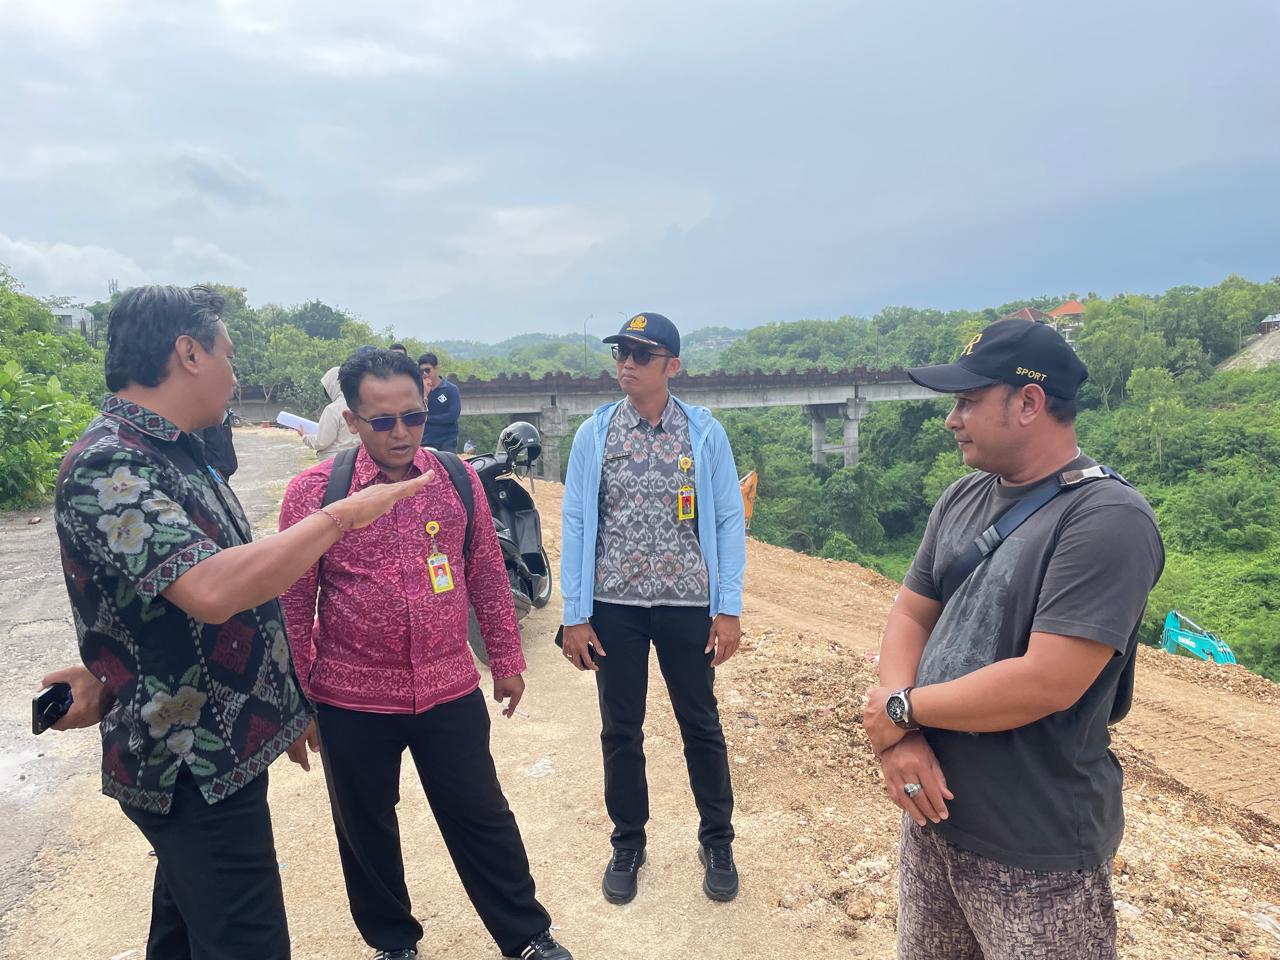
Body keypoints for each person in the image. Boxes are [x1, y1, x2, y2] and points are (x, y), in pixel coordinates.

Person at [45, 286, 433, 960]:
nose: (235, 373)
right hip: (189, 762)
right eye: (227, 354)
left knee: (186, 936)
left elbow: (158, 588)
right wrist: (342, 517)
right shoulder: (113, 460)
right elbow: (213, 588)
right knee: (246, 942)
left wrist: (111, 664)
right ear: (188, 353)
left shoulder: (177, 450)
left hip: (218, 743)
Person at [860, 319, 1164, 960]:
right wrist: (902, 737)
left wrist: (899, 710)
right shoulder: (962, 497)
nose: (953, 420)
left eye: (969, 401)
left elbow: (1045, 681)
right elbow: (911, 614)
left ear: (1028, 402)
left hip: (1036, 852)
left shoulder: (1105, 520)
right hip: (936, 820)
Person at [278, 349, 571, 960]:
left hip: (448, 686)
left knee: (481, 815)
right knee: (366, 828)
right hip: (351, 699)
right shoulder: (316, 493)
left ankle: (526, 935)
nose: (401, 433)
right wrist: (296, 701)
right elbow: (293, 602)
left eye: (412, 416)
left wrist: (506, 659)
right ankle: (393, 943)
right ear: (352, 420)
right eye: (382, 421)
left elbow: (485, 571)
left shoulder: (455, 479)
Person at [559, 312, 747, 905]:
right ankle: (628, 842)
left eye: (642, 355)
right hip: (615, 604)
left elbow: (727, 518)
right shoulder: (595, 435)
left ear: (673, 366)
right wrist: (574, 614)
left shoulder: (703, 434)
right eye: (622, 354)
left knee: (700, 723)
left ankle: (717, 840)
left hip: (689, 603)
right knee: (621, 728)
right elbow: (576, 521)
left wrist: (728, 608)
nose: (628, 365)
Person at [301, 365, 361, 460]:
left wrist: (305, 437)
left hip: (335, 461)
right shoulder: (361, 405)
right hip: (356, 458)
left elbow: (321, 442)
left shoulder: (332, 409)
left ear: (332, 386)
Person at [418, 352, 461, 453]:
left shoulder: (451, 389)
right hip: (425, 441)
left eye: (427, 370)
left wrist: (428, 419)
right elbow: (417, 414)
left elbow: (452, 416)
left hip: (446, 441)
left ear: (436, 369)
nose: (425, 373)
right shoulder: (418, 391)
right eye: (422, 371)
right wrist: (424, 394)